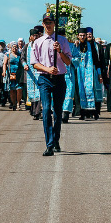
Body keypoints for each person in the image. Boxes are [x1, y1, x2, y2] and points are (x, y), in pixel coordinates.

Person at [31, 12, 72, 156]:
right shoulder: (38, 42)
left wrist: (60, 51)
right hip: (44, 78)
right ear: (43, 24)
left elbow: (68, 62)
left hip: (59, 78)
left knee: (58, 111)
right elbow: (35, 64)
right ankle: (49, 144)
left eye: (50, 22)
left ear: (55, 24)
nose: (48, 25)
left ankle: (56, 140)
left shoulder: (62, 40)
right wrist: (48, 69)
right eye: (46, 22)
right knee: (47, 109)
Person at [73, 28, 104, 120]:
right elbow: (72, 58)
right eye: (81, 35)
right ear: (78, 36)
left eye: (84, 35)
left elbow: (96, 60)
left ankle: (94, 112)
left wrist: (99, 74)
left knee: (90, 91)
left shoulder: (91, 46)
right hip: (79, 72)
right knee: (81, 92)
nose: (82, 37)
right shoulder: (76, 45)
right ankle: (83, 113)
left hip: (90, 72)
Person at [24, 29, 42, 120]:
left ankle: (37, 112)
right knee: (32, 93)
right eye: (33, 36)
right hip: (30, 72)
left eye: (36, 35)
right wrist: (24, 65)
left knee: (38, 91)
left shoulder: (41, 45)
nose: (35, 37)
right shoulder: (27, 46)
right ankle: (33, 110)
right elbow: (22, 58)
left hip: (39, 71)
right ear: (30, 37)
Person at [3, 41, 22, 111]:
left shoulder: (20, 54)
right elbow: (4, 64)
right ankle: (14, 103)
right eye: (14, 47)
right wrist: (4, 71)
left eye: (16, 47)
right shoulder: (8, 55)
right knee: (12, 90)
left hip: (19, 74)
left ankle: (18, 103)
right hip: (11, 74)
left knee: (19, 89)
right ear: (11, 48)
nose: (15, 48)